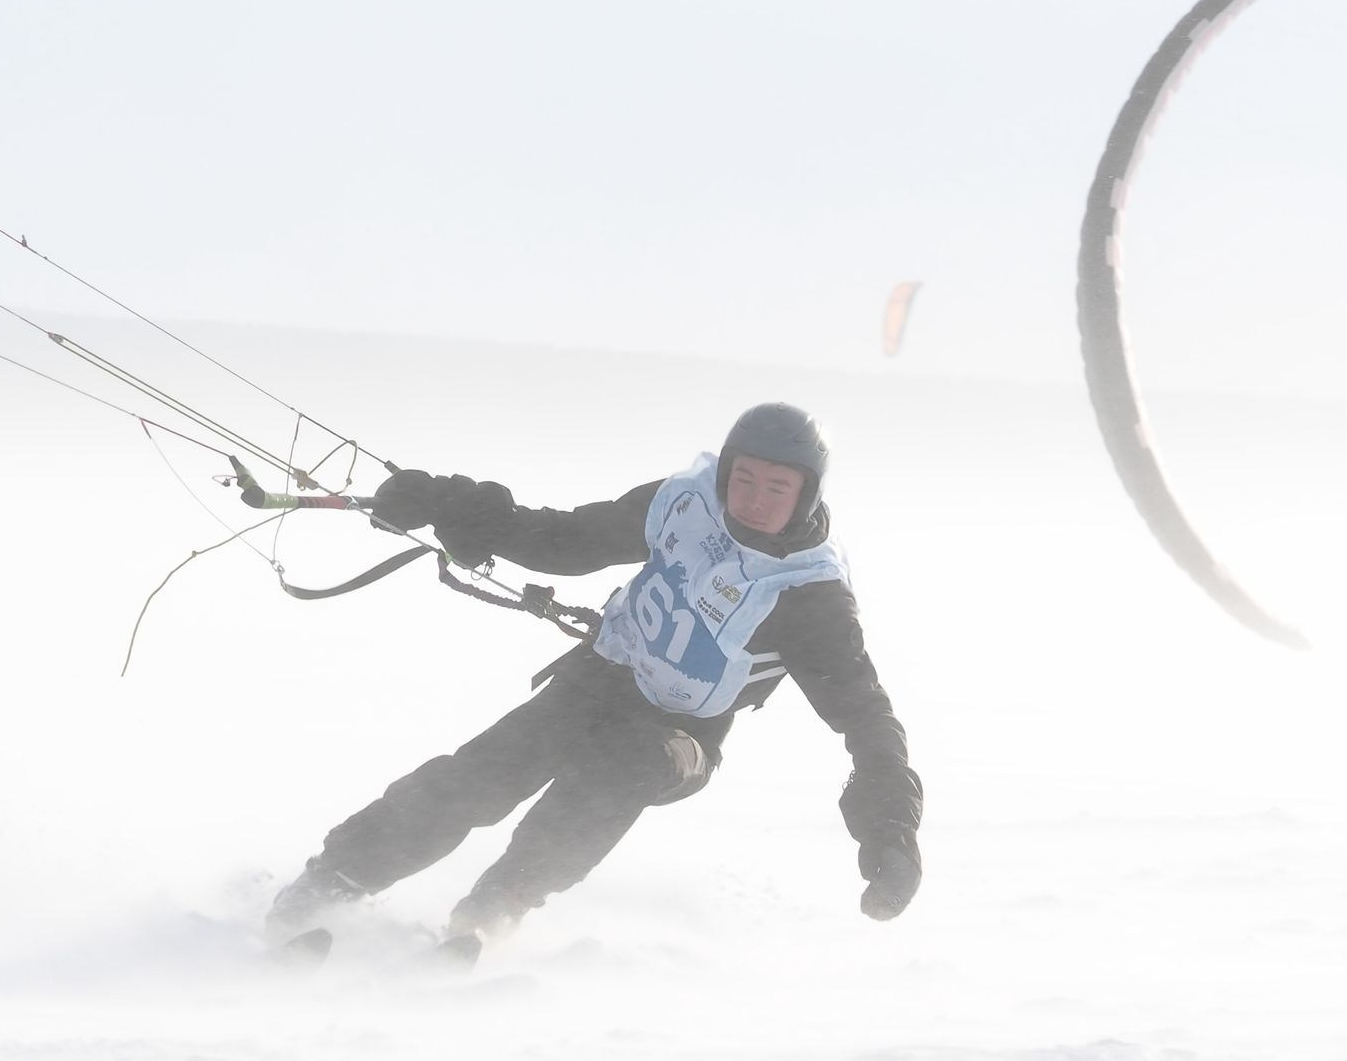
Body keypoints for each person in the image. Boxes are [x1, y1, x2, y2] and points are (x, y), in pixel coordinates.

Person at [267, 402, 923, 956]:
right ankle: (328, 883)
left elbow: (868, 721)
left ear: (805, 495)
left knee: (617, 769)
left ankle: (490, 914)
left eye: (775, 489)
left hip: (678, 737)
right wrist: (451, 505)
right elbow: (565, 539)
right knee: (479, 776)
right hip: (599, 677)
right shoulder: (684, 505)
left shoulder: (810, 599)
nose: (750, 500)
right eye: (742, 479)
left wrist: (891, 831)